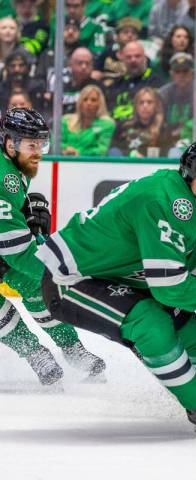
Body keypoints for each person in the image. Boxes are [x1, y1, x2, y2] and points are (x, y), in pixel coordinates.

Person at [36, 138, 196, 436]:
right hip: (69, 279)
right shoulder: (164, 200)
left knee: (192, 328)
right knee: (151, 323)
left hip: (118, 276)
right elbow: (168, 286)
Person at [0, 107, 105, 386]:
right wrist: (60, 273)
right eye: (31, 144)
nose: (38, 151)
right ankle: (35, 354)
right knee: (33, 281)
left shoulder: (14, 167)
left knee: (35, 288)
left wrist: (26, 215)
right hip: (6, 249)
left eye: (41, 144)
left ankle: (71, 349)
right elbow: (17, 251)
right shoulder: (5, 175)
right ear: (10, 144)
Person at [106, 41, 164, 122]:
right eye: (128, 57)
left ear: (145, 58)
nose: (133, 60)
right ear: (123, 60)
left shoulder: (156, 82)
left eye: (137, 56)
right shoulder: (116, 84)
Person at [110, 87, 172, 157]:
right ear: (136, 106)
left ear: (156, 106)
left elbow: (166, 154)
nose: (145, 106)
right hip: (127, 165)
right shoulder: (123, 126)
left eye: (149, 102)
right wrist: (132, 154)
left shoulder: (164, 129)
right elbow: (113, 149)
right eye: (141, 102)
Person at [61, 85, 116, 156]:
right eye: (85, 99)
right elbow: (55, 142)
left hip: (93, 163)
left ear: (99, 104)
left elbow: (102, 149)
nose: (89, 103)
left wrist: (79, 152)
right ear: (80, 102)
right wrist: (65, 148)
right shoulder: (66, 120)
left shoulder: (107, 124)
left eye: (93, 100)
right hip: (64, 161)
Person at [158, 52, 196, 145]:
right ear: (171, 74)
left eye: (185, 71)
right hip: (166, 140)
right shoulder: (163, 94)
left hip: (191, 139)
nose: (181, 75)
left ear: (192, 73)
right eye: (177, 72)